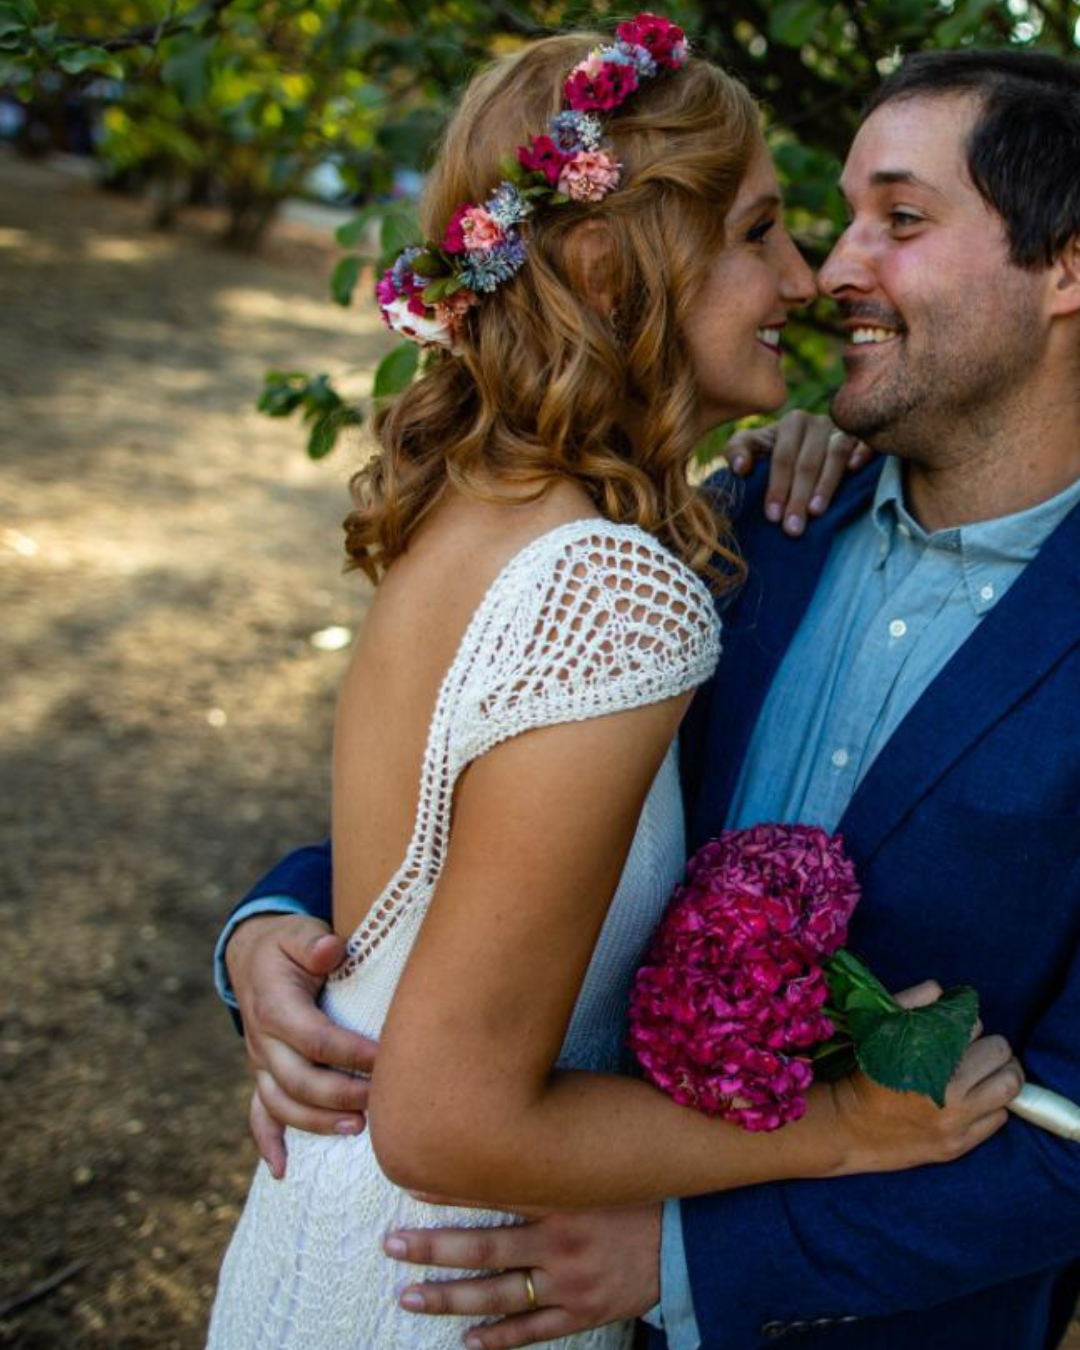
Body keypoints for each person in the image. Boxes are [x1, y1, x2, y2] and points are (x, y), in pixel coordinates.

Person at [208, 33, 1036, 1350]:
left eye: (895, 221)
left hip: (365, 1252)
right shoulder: (628, 575)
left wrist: (285, 945)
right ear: (610, 261)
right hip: (454, 1279)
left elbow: (445, 844)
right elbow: (443, 1102)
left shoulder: (486, 509)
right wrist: (848, 1126)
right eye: (763, 228)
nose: (807, 277)